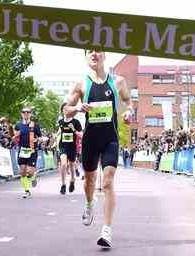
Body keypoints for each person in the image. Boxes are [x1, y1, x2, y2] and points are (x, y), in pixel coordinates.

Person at [64, 50, 133, 248]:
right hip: (90, 141)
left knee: (108, 182)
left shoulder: (118, 81)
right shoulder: (81, 84)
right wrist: (77, 108)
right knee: (90, 181)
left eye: (98, 50)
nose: (94, 53)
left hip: (110, 139)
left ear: (104, 55)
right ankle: (88, 203)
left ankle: (107, 230)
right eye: (90, 51)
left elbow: (128, 102)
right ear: (85, 57)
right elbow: (66, 110)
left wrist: (128, 112)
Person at [14, 107, 42, 199]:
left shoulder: (35, 125)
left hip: (32, 150)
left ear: (30, 114)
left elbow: (41, 138)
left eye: (28, 112)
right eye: (24, 112)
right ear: (21, 114)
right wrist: (15, 137)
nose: (26, 113)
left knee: (29, 172)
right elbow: (15, 137)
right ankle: (27, 191)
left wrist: (37, 139)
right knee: (22, 172)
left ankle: (33, 176)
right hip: (22, 150)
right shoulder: (18, 125)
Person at [58, 103, 82, 195]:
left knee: (72, 165)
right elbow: (60, 131)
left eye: (68, 109)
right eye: (64, 109)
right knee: (63, 164)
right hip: (63, 145)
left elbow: (81, 135)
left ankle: (72, 180)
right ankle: (63, 184)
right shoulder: (60, 122)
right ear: (62, 111)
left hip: (72, 146)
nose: (66, 111)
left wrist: (74, 130)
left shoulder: (76, 122)